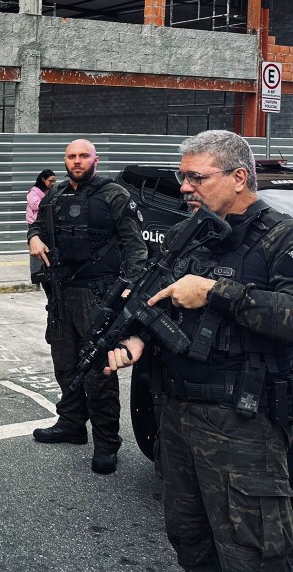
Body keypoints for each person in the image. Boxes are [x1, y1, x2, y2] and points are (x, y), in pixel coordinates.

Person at [103, 130, 293, 570]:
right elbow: (160, 301)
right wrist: (138, 338)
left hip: (245, 425)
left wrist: (214, 292)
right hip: (176, 415)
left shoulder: (281, 238)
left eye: (196, 177)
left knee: (253, 554)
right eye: (182, 177)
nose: (185, 187)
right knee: (188, 538)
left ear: (239, 177)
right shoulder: (186, 234)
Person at [27, 139, 147, 474]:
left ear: (96, 159)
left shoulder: (114, 195)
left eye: (83, 156)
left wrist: (127, 290)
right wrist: (33, 237)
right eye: (71, 156)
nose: (77, 161)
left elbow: (135, 247)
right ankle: (72, 424)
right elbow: (38, 225)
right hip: (61, 293)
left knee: (98, 372)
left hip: (99, 295)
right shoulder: (54, 194)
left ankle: (107, 443)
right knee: (65, 364)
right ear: (65, 160)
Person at [27, 170, 56, 287]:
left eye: (54, 181)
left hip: (47, 225)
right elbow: (36, 205)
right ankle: (37, 275)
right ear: (43, 179)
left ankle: (46, 273)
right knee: (36, 252)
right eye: (50, 181)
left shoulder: (49, 191)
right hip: (35, 226)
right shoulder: (33, 192)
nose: (52, 183)